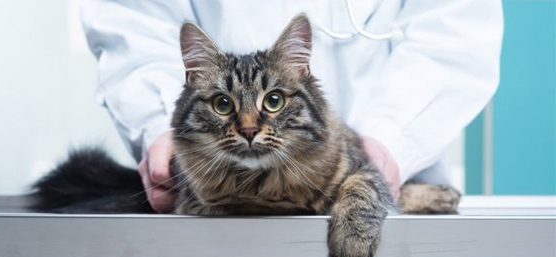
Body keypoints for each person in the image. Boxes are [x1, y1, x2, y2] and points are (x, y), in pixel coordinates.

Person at [80, 0, 503, 213]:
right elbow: (132, 20)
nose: (250, 126)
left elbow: (454, 31)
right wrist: (157, 124)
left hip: (390, 174)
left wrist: (390, 142)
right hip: (214, 198)